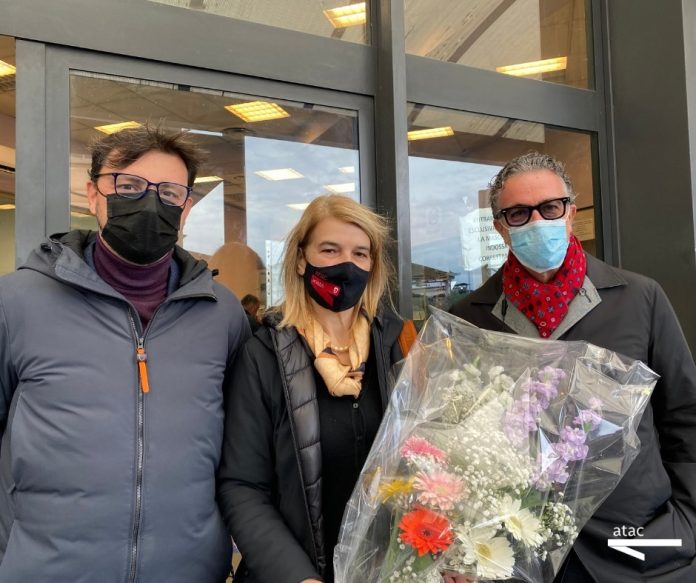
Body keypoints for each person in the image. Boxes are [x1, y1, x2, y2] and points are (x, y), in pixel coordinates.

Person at [0, 125, 250, 582]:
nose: (150, 202)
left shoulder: (223, 315)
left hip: (188, 571)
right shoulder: (15, 304)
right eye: (129, 186)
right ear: (93, 194)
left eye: (169, 192)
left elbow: (240, 451)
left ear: (185, 209)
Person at [450, 152, 696, 582]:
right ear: (501, 228)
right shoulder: (471, 318)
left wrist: (686, 524)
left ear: (570, 214)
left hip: (635, 543)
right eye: (519, 213)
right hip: (518, 554)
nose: (537, 221)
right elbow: (457, 434)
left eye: (550, 207)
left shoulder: (639, 299)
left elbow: (685, 416)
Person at [217, 195, 419, 583]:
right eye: (330, 250)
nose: (347, 264)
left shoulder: (398, 346)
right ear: (300, 259)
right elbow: (242, 486)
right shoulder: (264, 355)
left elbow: (428, 462)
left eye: (360, 253)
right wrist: (298, 577)